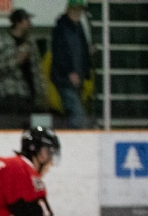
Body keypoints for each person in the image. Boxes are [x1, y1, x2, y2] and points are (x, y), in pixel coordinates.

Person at [0, 9, 45, 127]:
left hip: (29, 94)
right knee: (12, 128)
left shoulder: (31, 42)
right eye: (27, 20)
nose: (30, 23)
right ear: (18, 23)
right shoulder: (2, 42)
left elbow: (37, 68)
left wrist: (42, 91)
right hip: (10, 94)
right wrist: (16, 61)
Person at [50, 0, 91, 129]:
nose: (78, 13)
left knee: (73, 112)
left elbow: (82, 51)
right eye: (75, 9)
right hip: (64, 79)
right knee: (77, 114)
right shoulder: (61, 29)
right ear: (68, 9)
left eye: (80, 10)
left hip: (78, 78)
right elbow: (59, 53)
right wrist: (69, 72)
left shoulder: (78, 28)